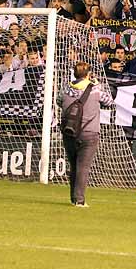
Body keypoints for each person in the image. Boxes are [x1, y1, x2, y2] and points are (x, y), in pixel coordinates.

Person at [59, 61, 105, 208]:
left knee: (74, 166)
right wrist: (97, 85)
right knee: (83, 167)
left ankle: (73, 197)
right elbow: (109, 102)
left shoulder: (66, 88)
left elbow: (59, 102)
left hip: (70, 131)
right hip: (89, 132)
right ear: (88, 74)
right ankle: (80, 200)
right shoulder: (95, 89)